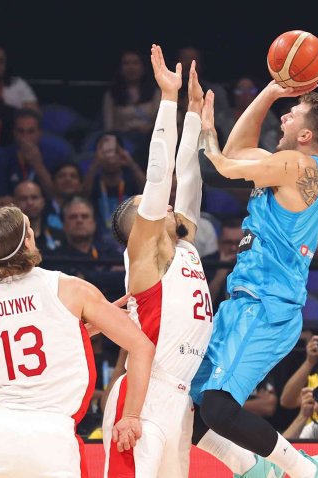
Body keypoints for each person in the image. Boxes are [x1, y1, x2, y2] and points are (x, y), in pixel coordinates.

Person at [192, 72, 318, 477]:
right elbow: (236, 150)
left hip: (267, 307)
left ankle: (308, 471)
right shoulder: (287, 166)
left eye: (291, 114)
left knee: (218, 408)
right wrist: (272, 90)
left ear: (304, 135)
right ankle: (253, 469)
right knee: (192, 408)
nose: (282, 118)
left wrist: (203, 126)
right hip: (243, 302)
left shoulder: (299, 168)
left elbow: (218, 169)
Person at [0, 205, 154, 477]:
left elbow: (16, 346)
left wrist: (75, 330)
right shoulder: (70, 288)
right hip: (50, 435)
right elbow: (142, 347)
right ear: (28, 241)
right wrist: (132, 416)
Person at [103, 45, 214, 478]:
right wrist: (168, 99)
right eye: (150, 208)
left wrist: (192, 113)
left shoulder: (182, 246)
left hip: (178, 401)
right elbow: (158, 172)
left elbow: (188, 176)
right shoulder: (145, 255)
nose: (165, 205)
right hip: (143, 399)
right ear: (140, 227)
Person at [81, 133, 146, 231]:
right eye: (105, 152)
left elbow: (148, 192)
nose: (110, 157)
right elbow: (83, 197)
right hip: (100, 238)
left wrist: (131, 164)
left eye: (115, 151)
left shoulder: (131, 179)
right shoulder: (93, 181)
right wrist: (94, 166)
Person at [102, 51, 161, 136]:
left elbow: (160, 121)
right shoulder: (111, 95)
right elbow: (109, 127)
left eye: (135, 63)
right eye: (126, 63)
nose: (131, 67)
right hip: (123, 140)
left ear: (143, 67)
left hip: (150, 138)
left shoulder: (156, 93)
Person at [13, 180, 63, 254]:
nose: (30, 203)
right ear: (15, 203)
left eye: (34, 197)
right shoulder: (9, 238)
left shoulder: (58, 235)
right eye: (23, 198)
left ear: (43, 202)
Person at [45, 162, 84, 232]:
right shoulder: (42, 210)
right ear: (53, 182)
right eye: (62, 176)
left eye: (73, 176)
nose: (68, 179)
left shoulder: (87, 209)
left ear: (80, 184)